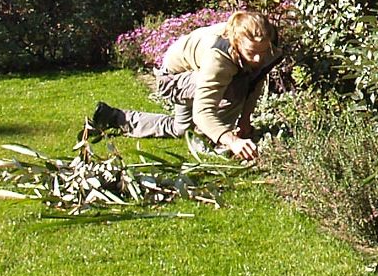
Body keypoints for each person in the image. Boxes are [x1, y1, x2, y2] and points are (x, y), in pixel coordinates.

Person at [87, 10, 282, 162]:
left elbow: (255, 81)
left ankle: (116, 117)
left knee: (180, 129)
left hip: (192, 75)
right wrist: (232, 140)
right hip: (172, 80)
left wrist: (245, 120)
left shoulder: (266, 45)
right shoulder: (219, 58)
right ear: (237, 43)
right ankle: (214, 142)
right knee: (234, 87)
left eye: (263, 52)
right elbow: (203, 112)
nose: (258, 58)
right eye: (251, 52)